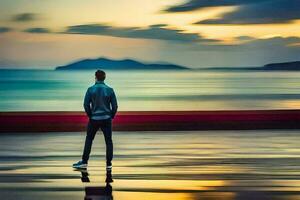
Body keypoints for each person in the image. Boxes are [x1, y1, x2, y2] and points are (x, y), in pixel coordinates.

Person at [73, 70, 118, 171]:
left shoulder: (90, 89)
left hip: (94, 119)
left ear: (95, 77)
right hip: (106, 119)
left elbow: (85, 105)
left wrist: (90, 115)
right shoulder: (110, 90)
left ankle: (84, 162)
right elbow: (115, 106)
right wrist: (111, 116)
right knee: (108, 141)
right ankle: (109, 164)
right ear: (104, 78)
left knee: (89, 139)